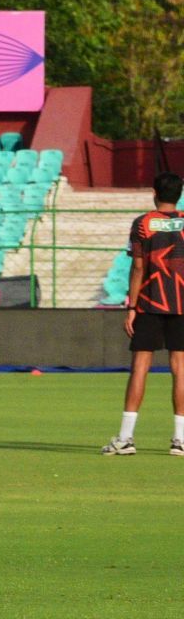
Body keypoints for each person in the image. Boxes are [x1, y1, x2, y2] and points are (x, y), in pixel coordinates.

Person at [102, 172, 184, 457]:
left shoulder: (143, 223)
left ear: (154, 192)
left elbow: (137, 268)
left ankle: (126, 438)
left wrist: (132, 307)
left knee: (140, 366)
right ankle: (180, 440)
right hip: (181, 305)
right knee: (180, 367)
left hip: (149, 304)